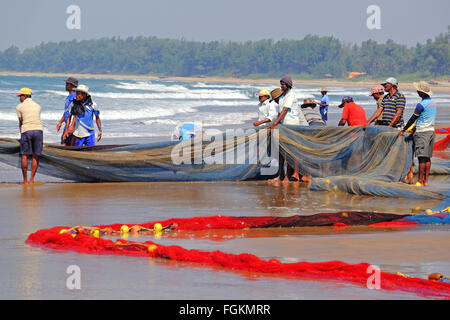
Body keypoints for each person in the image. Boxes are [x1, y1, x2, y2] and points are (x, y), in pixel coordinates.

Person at [398, 81, 437, 187]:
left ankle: (420, 181)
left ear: (422, 93)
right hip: (431, 131)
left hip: (423, 133)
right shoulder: (433, 103)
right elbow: (424, 118)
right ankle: (426, 181)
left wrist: (404, 130)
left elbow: (413, 118)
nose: (417, 92)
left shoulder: (421, 105)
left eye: (418, 90)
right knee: (428, 157)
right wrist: (414, 128)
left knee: (421, 157)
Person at [270, 76, 308, 182]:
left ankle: (293, 174)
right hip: (284, 126)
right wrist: (275, 123)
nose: (281, 86)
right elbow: (280, 113)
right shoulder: (282, 97)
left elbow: (285, 110)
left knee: (292, 150)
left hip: (292, 125)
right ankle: (281, 175)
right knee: (282, 151)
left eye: (283, 84)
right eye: (280, 84)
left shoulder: (291, 95)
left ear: (288, 85)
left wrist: (275, 123)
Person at [15, 88, 43, 184]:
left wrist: (21, 132)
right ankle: (32, 180)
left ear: (25, 96)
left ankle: (25, 180)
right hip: (38, 130)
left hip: (27, 130)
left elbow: (21, 122)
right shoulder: (38, 106)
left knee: (24, 155)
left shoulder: (19, 107)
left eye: (20, 96)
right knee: (36, 156)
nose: (19, 98)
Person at [56, 77, 78, 146]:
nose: (65, 85)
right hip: (67, 125)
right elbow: (66, 111)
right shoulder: (69, 97)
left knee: (66, 143)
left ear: (72, 85)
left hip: (72, 125)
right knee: (64, 142)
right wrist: (60, 122)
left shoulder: (75, 96)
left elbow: (75, 113)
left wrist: (71, 126)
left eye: (67, 84)